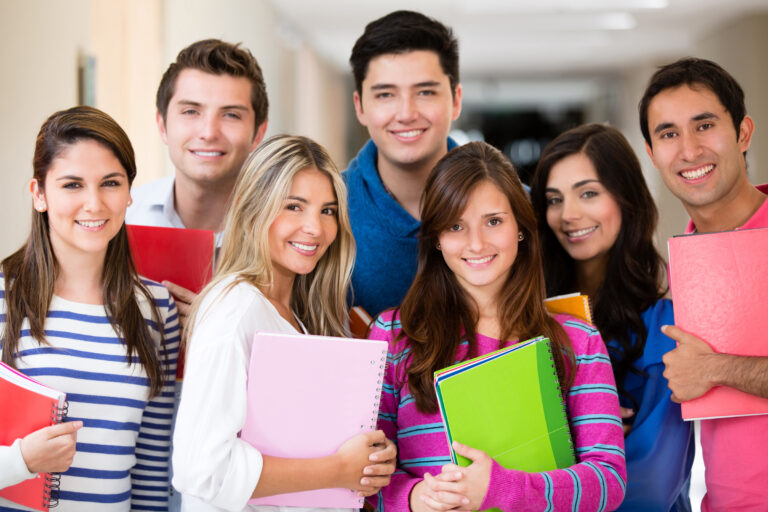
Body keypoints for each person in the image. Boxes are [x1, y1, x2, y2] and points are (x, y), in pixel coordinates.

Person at [368, 141, 626, 511]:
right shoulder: (392, 336)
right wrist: (412, 498)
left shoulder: (577, 340)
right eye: (456, 225)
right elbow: (366, 476)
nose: (476, 243)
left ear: (520, 228)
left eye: (493, 221)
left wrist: (504, 488)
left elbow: (608, 480)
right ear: (437, 239)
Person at [172, 135, 396, 511]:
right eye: (294, 206)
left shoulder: (296, 316)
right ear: (255, 208)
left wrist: (366, 459)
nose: (315, 228)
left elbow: (296, 444)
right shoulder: (234, 309)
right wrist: (339, 469)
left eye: (327, 211)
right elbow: (202, 471)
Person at [0, 106, 179, 511]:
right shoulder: (4, 298)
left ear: (130, 192)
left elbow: (151, 470)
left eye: (110, 183)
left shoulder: (156, 310)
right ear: (39, 194)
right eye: (72, 185)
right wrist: (21, 462)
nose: (94, 203)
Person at [530, 123, 694, 511]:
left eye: (588, 193)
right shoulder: (530, 316)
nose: (568, 214)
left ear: (626, 198)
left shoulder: (665, 324)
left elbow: (654, 486)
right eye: (554, 199)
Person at [639, 57, 768, 511]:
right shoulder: (687, 263)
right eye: (668, 134)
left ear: (744, 133)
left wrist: (716, 369)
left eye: (705, 125)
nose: (689, 150)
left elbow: (709, 372)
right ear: (653, 155)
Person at [127, 38, 269, 325]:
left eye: (231, 115)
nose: (208, 132)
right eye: (191, 111)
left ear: (258, 133)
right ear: (162, 125)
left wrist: (225, 329)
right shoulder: (121, 216)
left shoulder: (286, 232)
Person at [344, 10, 463, 318]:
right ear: (360, 107)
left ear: (456, 100)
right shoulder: (325, 209)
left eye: (425, 92)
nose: (407, 113)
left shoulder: (515, 207)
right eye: (385, 94)